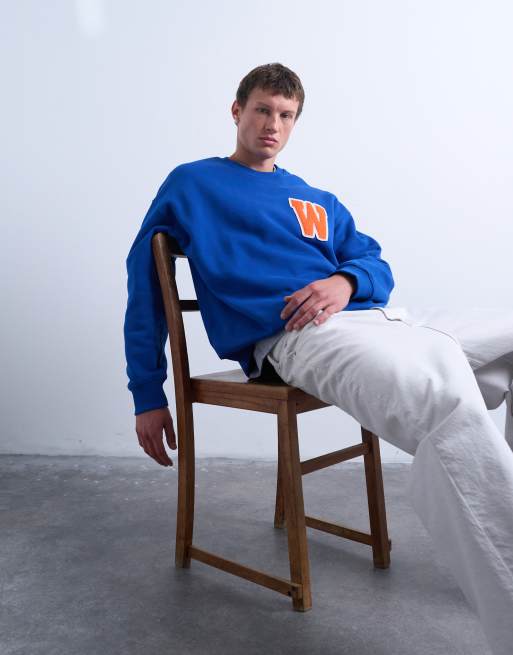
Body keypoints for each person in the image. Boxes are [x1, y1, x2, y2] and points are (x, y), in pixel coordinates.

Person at [123, 63, 513, 655]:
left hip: (378, 320)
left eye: (286, 115)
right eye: (262, 110)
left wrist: (345, 282)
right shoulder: (193, 183)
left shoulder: (315, 198)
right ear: (237, 110)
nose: (272, 125)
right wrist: (147, 394)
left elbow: (376, 263)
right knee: (442, 403)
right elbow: (144, 284)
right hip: (294, 337)